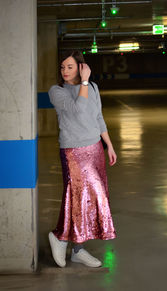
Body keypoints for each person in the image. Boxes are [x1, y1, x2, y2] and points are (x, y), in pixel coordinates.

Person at [48, 50, 117, 268]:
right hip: (73, 151)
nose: (65, 71)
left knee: (92, 199)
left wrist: (109, 145)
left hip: (95, 148)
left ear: (80, 67)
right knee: (76, 197)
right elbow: (78, 111)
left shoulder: (93, 87)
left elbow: (97, 117)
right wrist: (85, 82)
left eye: (69, 66)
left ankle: (78, 249)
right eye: (62, 67)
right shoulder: (57, 91)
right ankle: (60, 236)